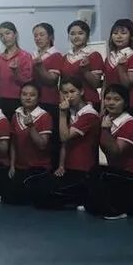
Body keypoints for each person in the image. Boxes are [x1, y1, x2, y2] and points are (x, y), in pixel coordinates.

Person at [26, 77, 100, 210]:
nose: (68, 96)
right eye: (65, 93)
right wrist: (61, 165)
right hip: (69, 169)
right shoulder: (73, 112)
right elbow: (65, 144)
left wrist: (62, 113)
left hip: (83, 171)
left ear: (81, 91)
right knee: (35, 187)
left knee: (45, 196)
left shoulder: (89, 114)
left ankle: (82, 197)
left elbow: (64, 137)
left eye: (72, 91)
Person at [86, 84, 133, 220]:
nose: (111, 103)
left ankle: (116, 211)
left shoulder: (130, 123)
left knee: (100, 174)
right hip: (117, 173)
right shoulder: (104, 119)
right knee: (91, 202)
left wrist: (105, 130)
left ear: (125, 103)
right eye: (108, 99)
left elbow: (116, 152)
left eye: (116, 99)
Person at [6, 82, 52, 205]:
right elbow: (13, 143)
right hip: (21, 167)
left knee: (37, 200)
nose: (28, 97)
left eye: (32, 95)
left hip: (39, 167)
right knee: (9, 198)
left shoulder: (44, 116)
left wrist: (31, 127)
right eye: (24, 94)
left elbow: (42, 145)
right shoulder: (16, 115)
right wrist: (12, 166)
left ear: (38, 98)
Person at [31, 23, 63, 168]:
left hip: (50, 102)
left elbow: (52, 80)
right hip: (35, 102)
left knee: (51, 140)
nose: (38, 38)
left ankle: (54, 169)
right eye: (35, 35)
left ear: (50, 37)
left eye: (41, 35)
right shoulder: (34, 55)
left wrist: (39, 66)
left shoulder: (55, 55)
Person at [103, 19, 133, 122]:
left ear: (131, 36)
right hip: (110, 106)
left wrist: (121, 68)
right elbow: (105, 85)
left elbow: (127, 84)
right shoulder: (109, 58)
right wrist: (102, 107)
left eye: (123, 33)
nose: (119, 36)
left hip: (129, 106)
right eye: (115, 33)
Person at [61, 20, 104, 112]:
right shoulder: (65, 57)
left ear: (87, 36)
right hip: (69, 101)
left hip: (89, 101)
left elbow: (96, 84)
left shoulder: (94, 55)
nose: (76, 36)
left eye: (80, 33)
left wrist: (85, 71)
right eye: (72, 34)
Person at [0, 22, 33, 120]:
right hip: (0, 100)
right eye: (1, 35)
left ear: (15, 34)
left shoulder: (25, 56)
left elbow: (27, 82)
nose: (4, 37)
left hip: (19, 100)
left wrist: (16, 72)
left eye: (8, 33)